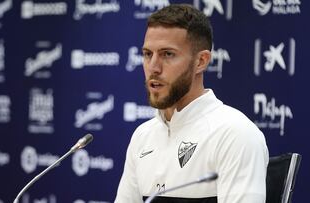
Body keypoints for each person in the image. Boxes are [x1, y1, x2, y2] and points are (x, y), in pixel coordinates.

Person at [115, 4, 269, 203]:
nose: (153, 67)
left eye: (167, 54)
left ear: (201, 61)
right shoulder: (142, 137)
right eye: (147, 54)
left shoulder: (235, 134)